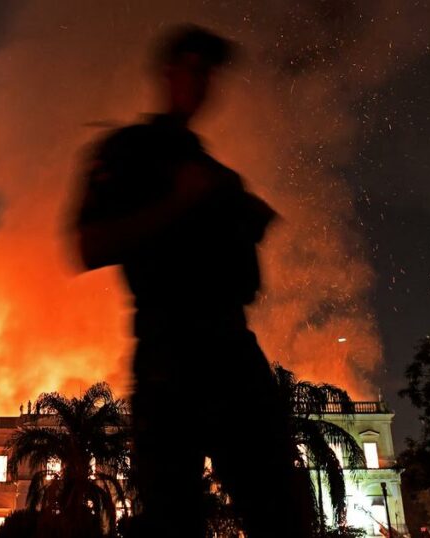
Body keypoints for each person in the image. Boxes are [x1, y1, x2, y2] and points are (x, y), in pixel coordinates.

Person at [72, 24, 313, 538]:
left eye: (211, 74)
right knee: (174, 510)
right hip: (169, 351)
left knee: (278, 504)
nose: (203, 84)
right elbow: (90, 246)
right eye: (193, 68)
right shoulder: (129, 153)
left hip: (232, 348)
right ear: (168, 72)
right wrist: (179, 204)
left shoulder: (216, 174)